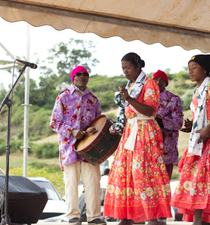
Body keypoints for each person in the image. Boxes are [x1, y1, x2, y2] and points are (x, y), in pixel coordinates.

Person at [103, 52, 172, 225]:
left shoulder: (150, 84)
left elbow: (149, 111)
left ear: (138, 66)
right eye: (123, 68)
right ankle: (126, 217)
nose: (125, 71)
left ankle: (152, 218)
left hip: (145, 131)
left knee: (145, 174)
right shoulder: (132, 84)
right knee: (126, 174)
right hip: (130, 131)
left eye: (128, 67)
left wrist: (129, 99)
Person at [170, 54, 210, 225]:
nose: (190, 72)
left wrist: (208, 127)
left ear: (204, 69)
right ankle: (197, 221)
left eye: (194, 68)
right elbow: (202, 115)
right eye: (189, 69)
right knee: (196, 180)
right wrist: (194, 127)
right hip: (200, 140)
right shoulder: (198, 89)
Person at [50, 65, 106, 225]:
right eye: (78, 74)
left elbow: (98, 123)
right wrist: (72, 131)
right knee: (71, 182)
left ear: (88, 77)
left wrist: (91, 129)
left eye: (85, 74)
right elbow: (54, 123)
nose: (82, 77)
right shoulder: (63, 97)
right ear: (73, 78)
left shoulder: (94, 100)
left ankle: (94, 217)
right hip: (69, 147)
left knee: (93, 182)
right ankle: (73, 216)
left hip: (90, 147)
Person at [152, 70, 183, 179]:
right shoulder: (146, 99)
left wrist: (160, 121)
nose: (158, 82)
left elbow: (178, 123)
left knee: (163, 185)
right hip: (149, 148)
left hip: (166, 148)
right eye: (155, 79)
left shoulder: (174, 99)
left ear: (166, 83)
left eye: (161, 80)